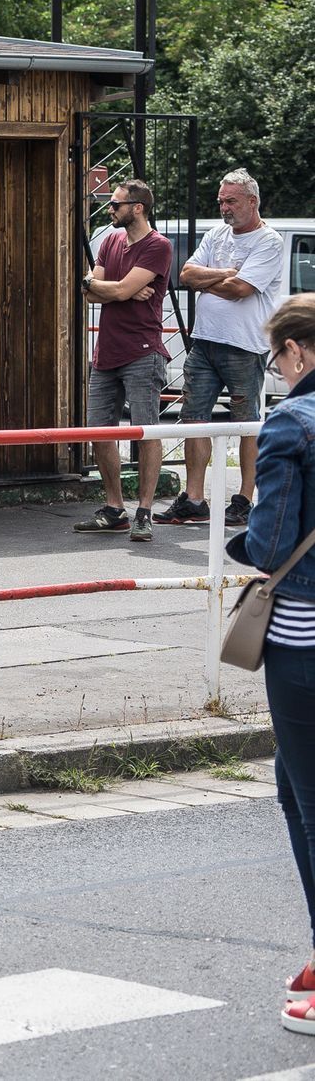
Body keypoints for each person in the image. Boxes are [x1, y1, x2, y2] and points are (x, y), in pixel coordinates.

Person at [226, 296, 315, 1034]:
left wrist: (241, 546)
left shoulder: (293, 422)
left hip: (305, 638)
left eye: (276, 358)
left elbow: (270, 540)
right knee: (292, 786)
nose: (274, 371)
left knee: (308, 799)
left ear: (301, 353)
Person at [159, 168, 286, 529]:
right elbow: (184, 275)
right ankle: (195, 499)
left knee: (246, 423)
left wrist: (211, 279)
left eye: (230, 201)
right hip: (205, 341)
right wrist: (228, 272)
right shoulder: (216, 234)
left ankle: (245, 499)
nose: (224, 208)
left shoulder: (269, 242)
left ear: (252, 201)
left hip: (245, 345)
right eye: (221, 201)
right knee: (194, 419)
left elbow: (241, 290)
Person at [74, 179, 173, 542]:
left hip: (143, 352)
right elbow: (90, 291)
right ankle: (115, 508)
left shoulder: (158, 246)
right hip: (107, 352)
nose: (110, 210)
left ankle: (144, 511)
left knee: (146, 432)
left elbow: (113, 289)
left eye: (115, 205)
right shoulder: (111, 241)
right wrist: (114, 289)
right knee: (99, 432)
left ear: (138, 208)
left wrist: (113, 289)